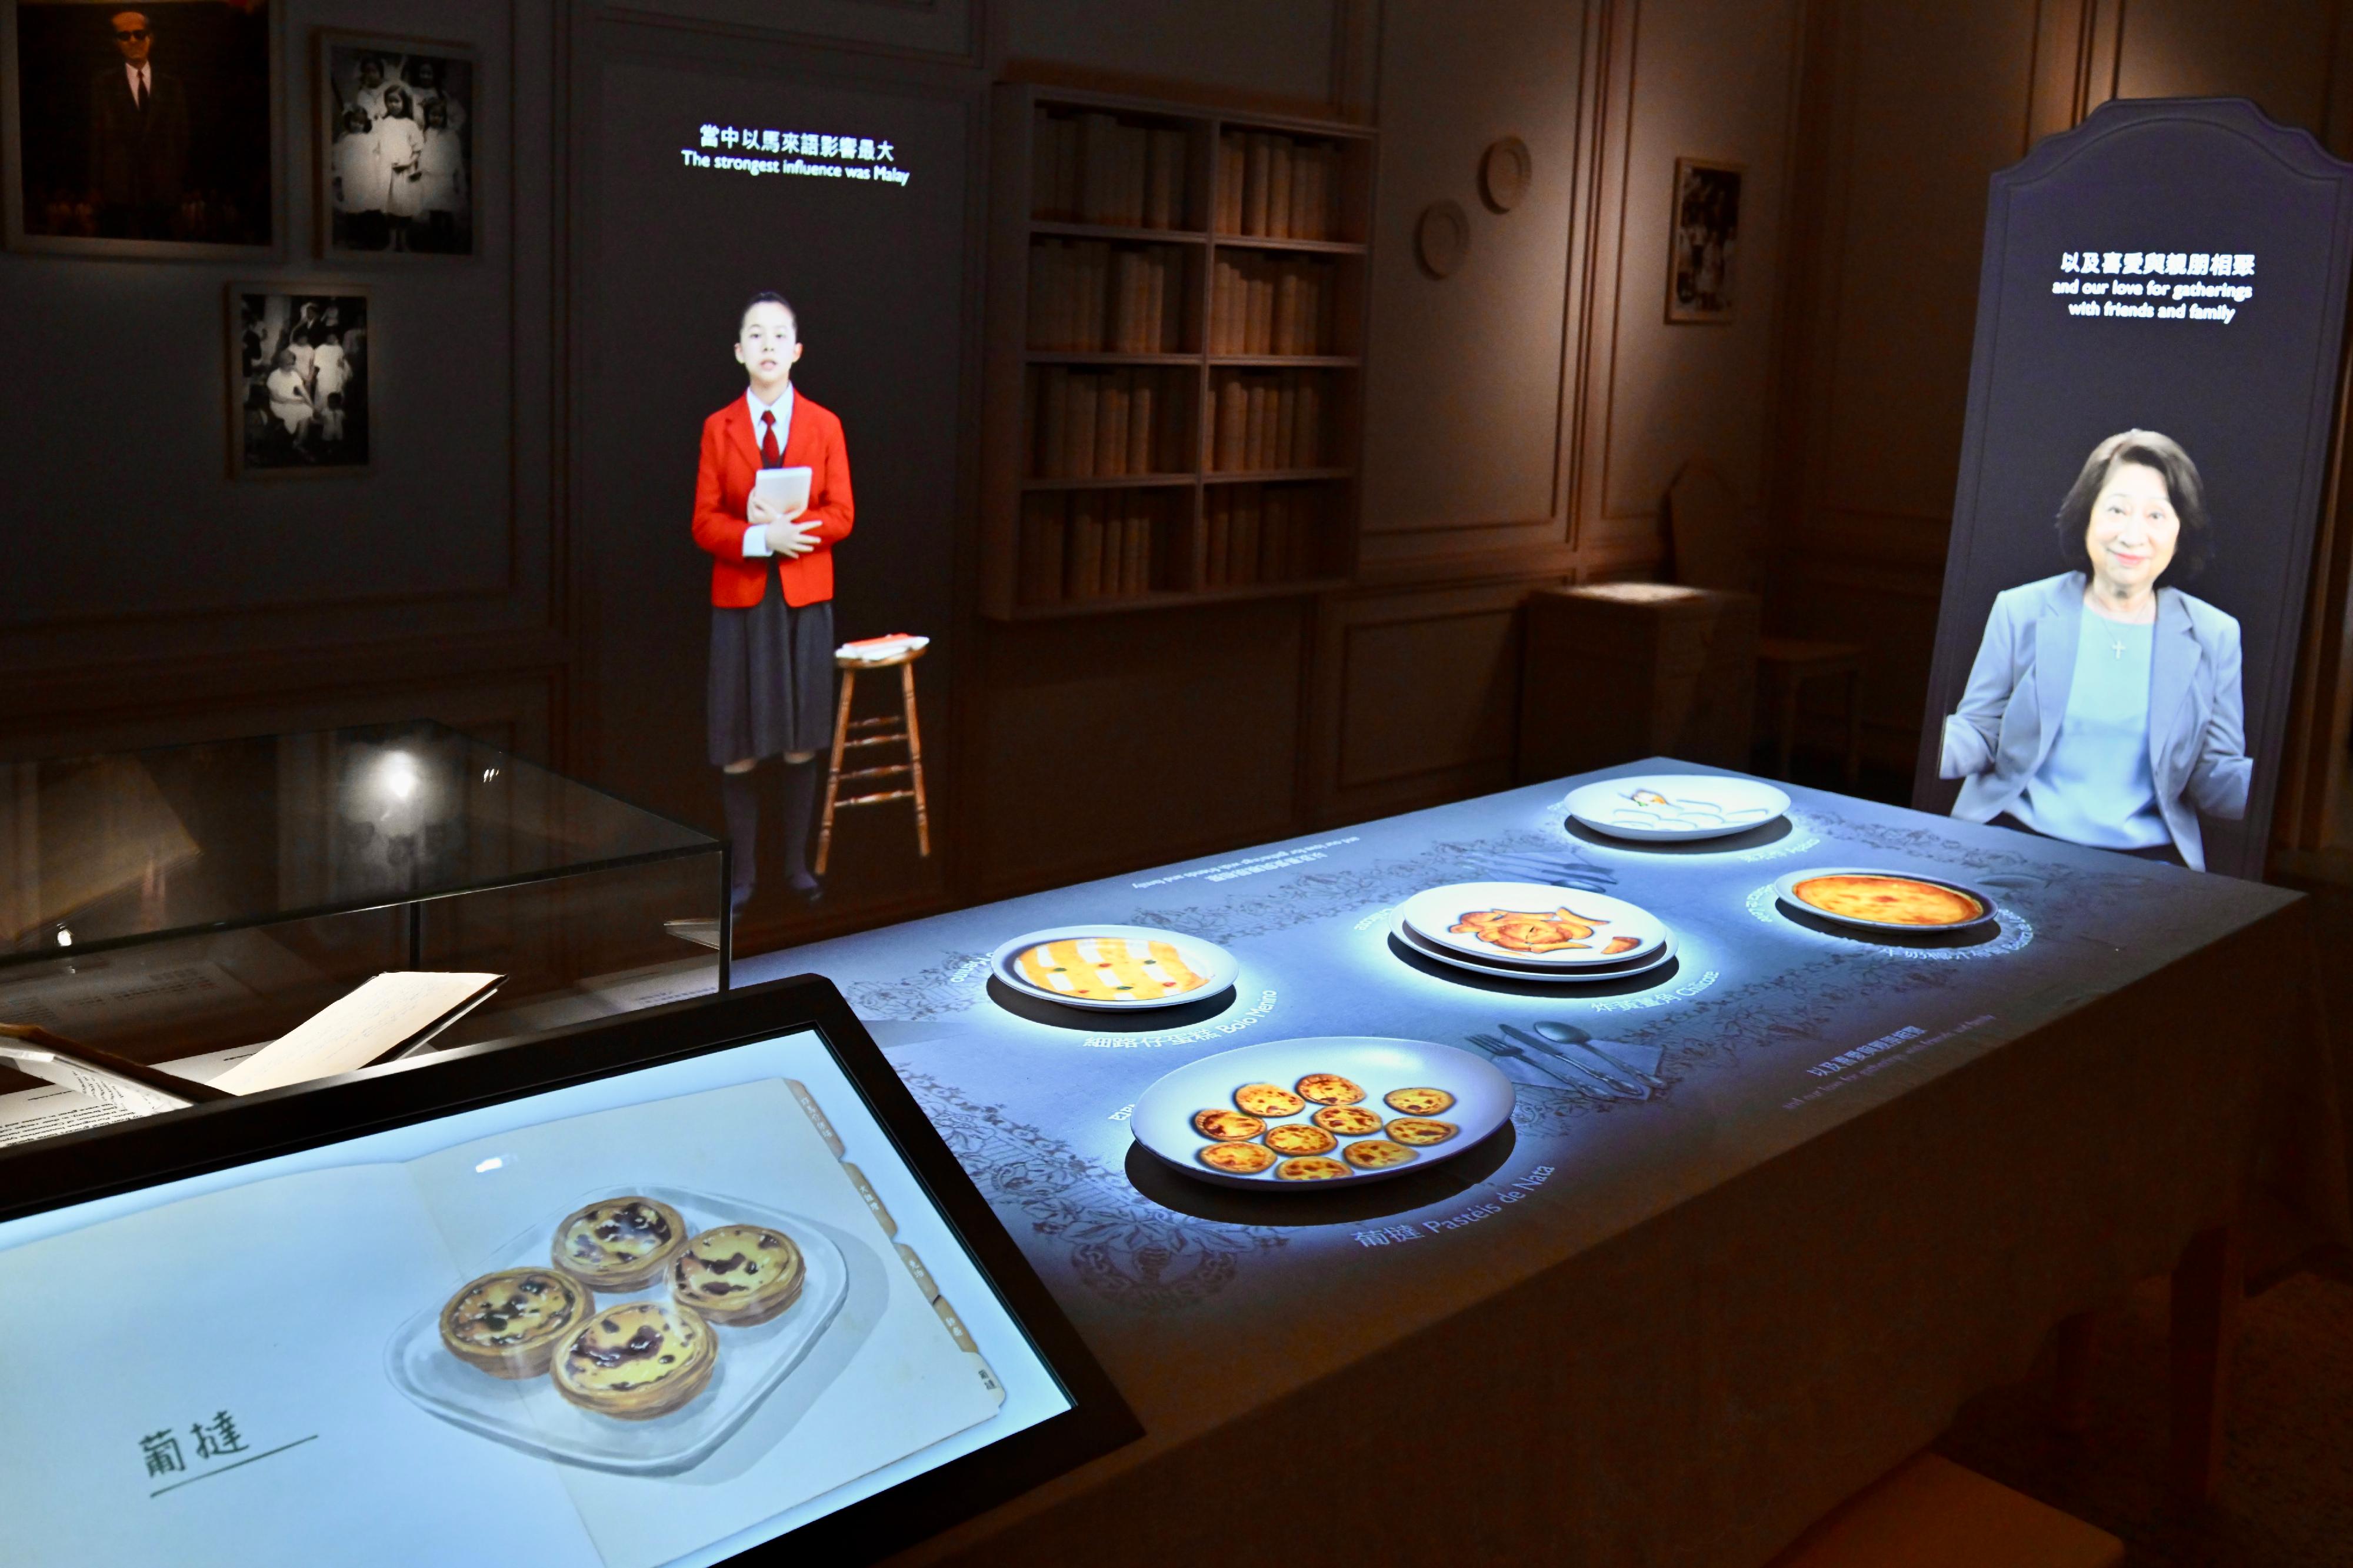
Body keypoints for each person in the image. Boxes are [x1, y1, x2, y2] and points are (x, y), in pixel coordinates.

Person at [1941, 429, 2249, 870]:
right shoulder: (2021, 609)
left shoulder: (2215, 634)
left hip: (2151, 866)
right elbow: (1979, 732)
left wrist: (2281, 788)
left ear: (2182, 531)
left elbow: (2214, 775)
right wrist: (1931, 743)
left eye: (2156, 516)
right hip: (2011, 845)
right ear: (2086, 516)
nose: (2132, 534)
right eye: (2117, 510)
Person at [691, 293, 855, 908]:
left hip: (805, 599)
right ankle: (742, 877)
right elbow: (704, 524)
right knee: (737, 744)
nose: (767, 346)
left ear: (797, 350)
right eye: (754, 336)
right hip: (740, 600)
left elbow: (843, 513)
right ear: (739, 352)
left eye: (778, 336)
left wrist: (795, 531)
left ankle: (795, 869)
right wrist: (761, 537)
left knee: (800, 737)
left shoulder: (825, 424)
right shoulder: (718, 427)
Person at [87, 9, 189, 239]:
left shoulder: (173, 86)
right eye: (125, 36)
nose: (133, 41)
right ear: (116, 43)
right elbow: (97, 137)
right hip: (119, 194)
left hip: (163, 194)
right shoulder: (103, 85)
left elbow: (182, 139)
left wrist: (179, 184)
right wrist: (96, 185)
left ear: (150, 38)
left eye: (139, 34)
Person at [376, 86, 427, 251]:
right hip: (387, 172)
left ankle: (403, 241)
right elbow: (377, 147)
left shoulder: (410, 125)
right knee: (391, 208)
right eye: (389, 101)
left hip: (404, 172)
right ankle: (391, 242)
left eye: (397, 101)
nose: (393, 105)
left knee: (404, 207)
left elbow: (418, 150)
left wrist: (408, 164)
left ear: (404, 103)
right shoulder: (383, 123)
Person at [414, 98, 468, 250]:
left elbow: (455, 157)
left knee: (447, 208)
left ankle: (449, 237)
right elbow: (423, 153)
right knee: (434, 209)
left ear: (445, 117)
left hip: (445, 178)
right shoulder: (426, 133)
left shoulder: (450, 135)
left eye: (439, 115)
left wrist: (457, 178)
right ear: (427, 116)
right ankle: (435, 236)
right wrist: (421, 170)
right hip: (430, 178)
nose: (436, 119)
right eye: (432, 115)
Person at [331, 105, 385, 248]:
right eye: (355, 121)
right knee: (352, 207)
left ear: (366, 124)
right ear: (349, 120)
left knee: (367, 208)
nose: (357, 125)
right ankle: (353, 238)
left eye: (361, 122)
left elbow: (376, 156)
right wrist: (339, 177)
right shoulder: (344, 139)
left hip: (366, 177)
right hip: (350, 178)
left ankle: (369, 238)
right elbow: (338, 160)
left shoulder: (369, 139)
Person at [264, 349, 314, 453]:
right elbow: (276, 398)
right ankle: (296, 443)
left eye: (293, 363)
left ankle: (298, 442)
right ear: (281, 363)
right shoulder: (274, 376)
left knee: (307, 410)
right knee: (300, 412)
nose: (292, 366)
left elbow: (304, 393)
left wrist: (312, 406)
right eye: (289, 364)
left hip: (292, 401)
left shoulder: (294, 374)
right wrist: (294, 402)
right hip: (279, 404)